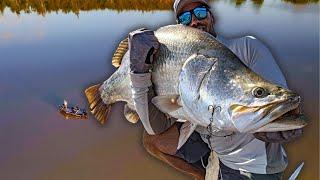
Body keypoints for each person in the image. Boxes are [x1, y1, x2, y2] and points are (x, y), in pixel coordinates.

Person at [128, 0, 303, 179]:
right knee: (152, 140)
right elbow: (154, 127)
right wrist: (137, 73)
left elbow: (279, 99)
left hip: (251, 165)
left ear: (212, 16)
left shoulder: (247, 48)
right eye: (185, 17)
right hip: (212, 144)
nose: (194, 21)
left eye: (200, 13)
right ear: (179, 26)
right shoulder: (176, 56)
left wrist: (277, 121)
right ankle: (201, 175)